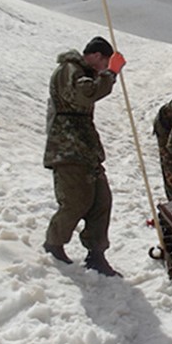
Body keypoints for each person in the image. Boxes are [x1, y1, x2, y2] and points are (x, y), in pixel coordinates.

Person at [43, 36, 126, 277]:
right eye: (104, 63)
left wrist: (109, 74)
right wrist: (110, 74)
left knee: (101, 200)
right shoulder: (69, 70)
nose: (102, 70)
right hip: (67, 149)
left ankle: (96, 253)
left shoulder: (82, 72)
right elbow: (85, 94)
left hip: (85, 149)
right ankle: (54, 244)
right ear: (98, 57)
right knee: (76, 200)